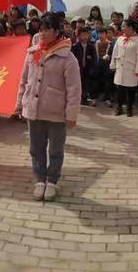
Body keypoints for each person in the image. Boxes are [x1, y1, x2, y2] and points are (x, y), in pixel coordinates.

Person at [15, 13, 81, 201]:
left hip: (56, 112)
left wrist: (71, 114)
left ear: (57, 31)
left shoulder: (67, 57)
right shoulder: (32, 52)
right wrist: (20, 103)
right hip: (33, 109)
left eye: (47, 29)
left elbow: (74, 89)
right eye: (41, 29)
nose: (43, 33)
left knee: (55, 149)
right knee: (35, 147)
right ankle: (40, 179)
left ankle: (52, 181)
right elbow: (23, 81)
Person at [110, 19, 138, 117]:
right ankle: (119, 107)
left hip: (131, 69)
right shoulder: (120, 39)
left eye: (124, 26)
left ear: (130, 27)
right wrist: (113, 64)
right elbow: (115, 52)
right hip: (120, 68)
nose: (122, 28)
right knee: (120, 89)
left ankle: (129, 108)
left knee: (130, 89)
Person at [71, 27, 98, 106]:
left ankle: (84, 98)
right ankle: (77, 98)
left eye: (86, 35)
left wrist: (93, 68)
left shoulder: (91, 47)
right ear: (79, 36)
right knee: (78, 84)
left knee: (86, 84)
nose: (85, 37)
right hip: (78, 69)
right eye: (83, 35)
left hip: (88, 68)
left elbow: (94, 59)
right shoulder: (75, 46)